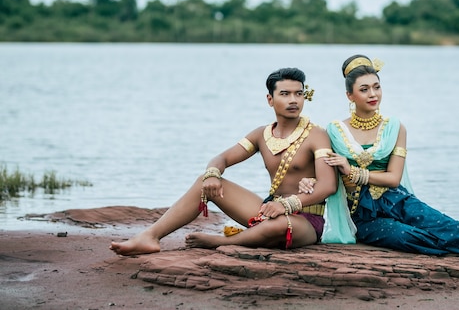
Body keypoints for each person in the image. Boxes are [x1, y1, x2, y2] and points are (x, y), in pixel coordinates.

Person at [300, 55, 459, 257]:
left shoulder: (395, 127)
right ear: (350, 95)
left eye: (377, 87)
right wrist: (308, 181)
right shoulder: (334, 130)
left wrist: (353, 171)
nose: (373, 94)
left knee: (447, 226)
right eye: (364, 89)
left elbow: (393, 178)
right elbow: (322, 171)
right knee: (408, 237)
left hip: (397, 200)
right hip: (362, 216)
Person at [110, 67, 337, 256]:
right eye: (285, 94)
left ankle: (223, 241)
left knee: (278, 225)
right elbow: (223, 158)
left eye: (299, 94)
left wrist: (286, 205)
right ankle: (150, 237)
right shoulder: (261, 134)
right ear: (270, 99)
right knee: (204, 182)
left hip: (305, 220)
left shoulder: (316, 134)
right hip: (268, 210)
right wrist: (212, 174)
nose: (293, 100)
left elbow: (328, 185)